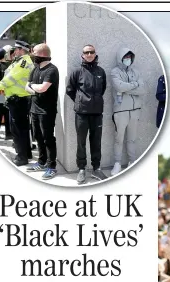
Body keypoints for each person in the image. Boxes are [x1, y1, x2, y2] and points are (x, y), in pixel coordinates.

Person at [66, 44, 107, 184]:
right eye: (86, 52)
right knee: (81, 142)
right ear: (82, 55)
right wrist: (80, 101)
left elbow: (103, 89)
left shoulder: (101, 71)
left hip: (97, 113)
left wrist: (94, 102)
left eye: (91, 52)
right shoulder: (77, 72)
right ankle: (81, 169)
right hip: (81, 113)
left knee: (96, 142)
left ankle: (96, 168)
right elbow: (70, 90)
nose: (89, 54)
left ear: (95, 54)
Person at [24, 44, 59, 180]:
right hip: (34, 109)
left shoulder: (52, 70)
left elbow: (43, 88)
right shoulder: (35, 69)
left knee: (48, 138)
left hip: (47, 111)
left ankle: (52, 166)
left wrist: (33, 87)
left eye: (35, 53)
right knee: (38, 137)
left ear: (43, 54)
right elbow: (26, 87)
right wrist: (35, 88)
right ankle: (42, 161)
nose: (33, 55)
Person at [0, 40, 33, 166]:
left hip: (18, 100)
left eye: (16, 49)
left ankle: (21, 157)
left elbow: (12, 77)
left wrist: (0, 86)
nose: (14, 51)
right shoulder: (20, 61)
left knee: (17, 130)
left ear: (21, 50)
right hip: (18, 99)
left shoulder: (23, 62)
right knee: (22, 128)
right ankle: (26, 153)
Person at [110, 47, 146, 176]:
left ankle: (132, 162)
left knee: (132, 139)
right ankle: (117, 163)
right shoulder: (115, 72)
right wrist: (135, 85)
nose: (128, 60)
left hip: (135, 111)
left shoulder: (136, 72)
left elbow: (142, 90)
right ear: (120, 58)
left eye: (129, 57)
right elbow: (118, 86)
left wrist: (126, 89)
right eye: (125, 57)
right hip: (120, 111)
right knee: (118, 139)